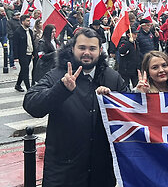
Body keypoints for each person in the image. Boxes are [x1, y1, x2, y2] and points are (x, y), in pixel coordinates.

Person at [23, 28, 129, 187]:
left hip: (101, 173)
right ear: (73, 49)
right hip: (64, 172)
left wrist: (138, 96)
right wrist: (61, 89)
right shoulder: (58, 74)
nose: (87, 52)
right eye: (82, 48)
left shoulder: (112, 77)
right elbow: (31, 104)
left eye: (92, 48)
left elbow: (130, 114)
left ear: (100, 51)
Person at [13, 15, 34, 92]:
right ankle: (29, 88)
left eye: (29, 20)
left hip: (29, 53)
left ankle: (18, 85)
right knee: (26, 71)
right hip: (22, 54)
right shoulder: (18, 32)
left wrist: (33, 53)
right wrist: (16, 57)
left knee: (23, 70)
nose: (29, 22)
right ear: (23, 22)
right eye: (27, 21)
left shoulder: (30, 31)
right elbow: (15, 45)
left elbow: (32, 43)